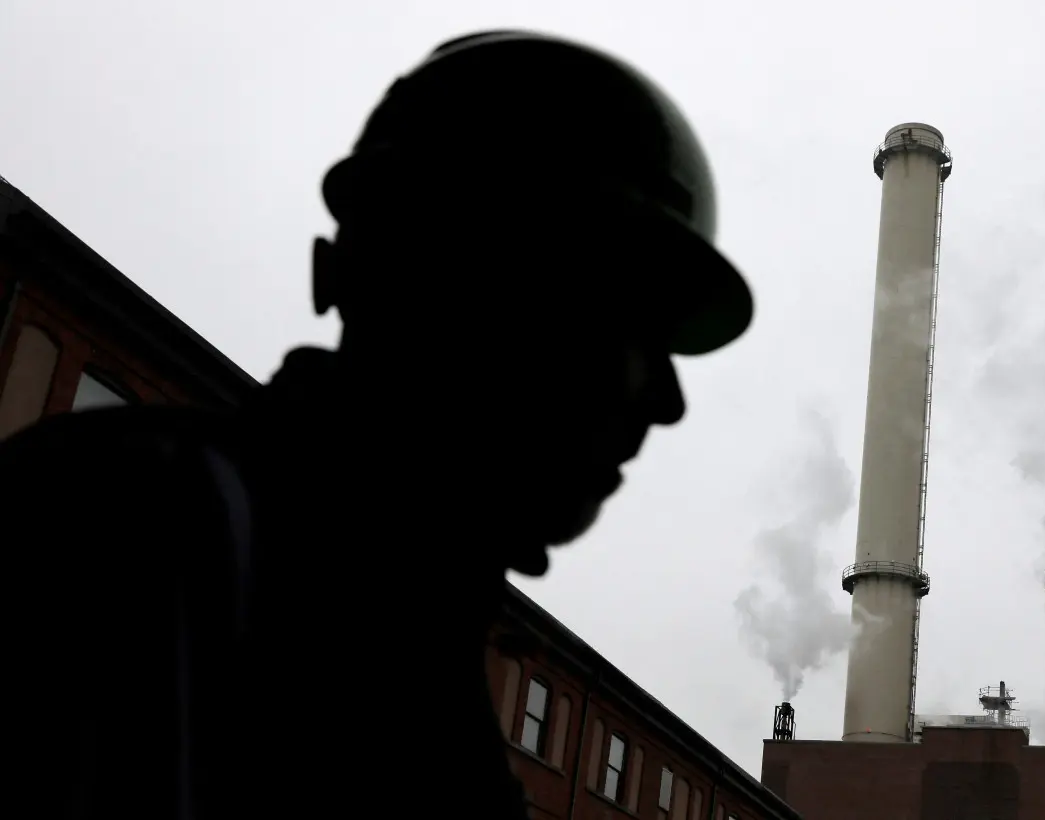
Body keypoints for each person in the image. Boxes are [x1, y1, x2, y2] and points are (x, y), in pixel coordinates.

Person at [2, 29, 753, 818]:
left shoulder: (406, 649)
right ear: (474, 281)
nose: (667, 398)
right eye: (630, 319)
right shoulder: (128, 536)